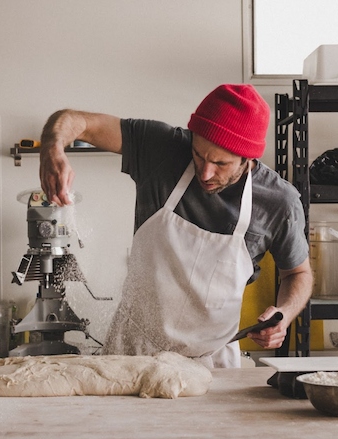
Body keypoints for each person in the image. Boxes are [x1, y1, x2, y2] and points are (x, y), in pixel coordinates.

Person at [39, 84, 313, 369]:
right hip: (132, 353)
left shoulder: (279, 202)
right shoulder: (161, 149)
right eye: (198, 155)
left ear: (249, 159)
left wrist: (284, 313)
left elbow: (298, 273)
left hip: (212, 364)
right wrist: (52, 148)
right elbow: (75, 120)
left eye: (220, 163)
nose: (205, 172)